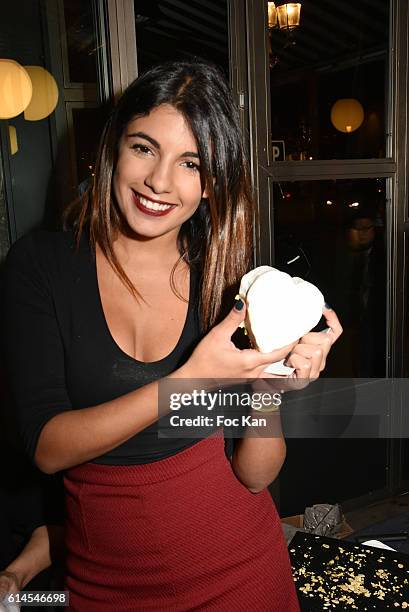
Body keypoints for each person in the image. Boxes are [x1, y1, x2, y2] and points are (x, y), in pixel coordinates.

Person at [3, 60, 342, 611]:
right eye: (144, 148)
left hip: (241, 570)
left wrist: (269, 389)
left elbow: (255, 477)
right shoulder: (41, 267)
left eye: (192, 163)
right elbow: (47, 446)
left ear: (213, 184)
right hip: (106, 584)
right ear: (113, 147)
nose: (160, 182)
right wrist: (190, 381)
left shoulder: (226, 281)